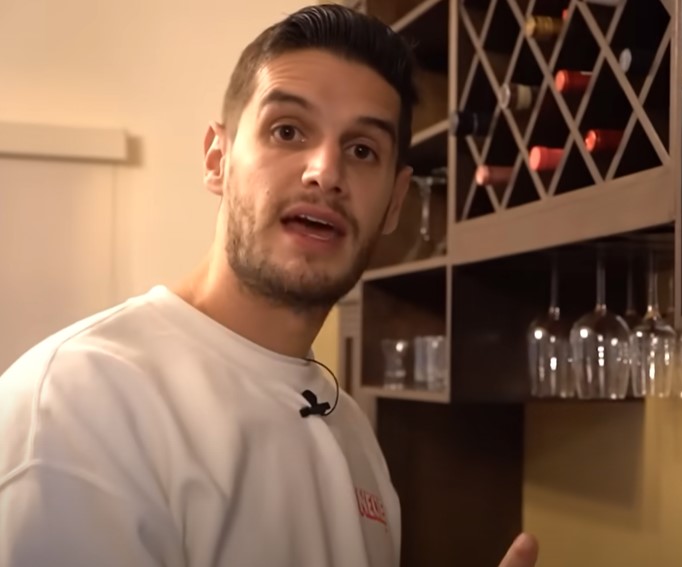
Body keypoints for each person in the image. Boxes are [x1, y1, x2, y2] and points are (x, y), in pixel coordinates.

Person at [0, 4, 538, 567]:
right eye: (288, 131)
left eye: (362, 150)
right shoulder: (82, 401)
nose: (325, 172)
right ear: (218, 159)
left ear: (395, 202)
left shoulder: (354, 433)